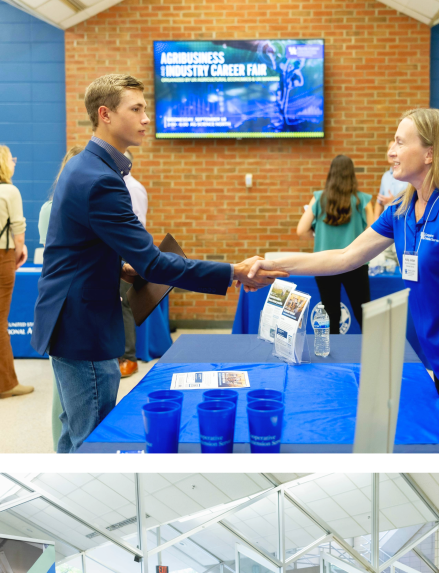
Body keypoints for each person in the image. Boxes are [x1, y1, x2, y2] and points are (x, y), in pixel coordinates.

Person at [34, 73, 281, 453]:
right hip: (82, 328)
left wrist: (118, 267)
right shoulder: (101, 180)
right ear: (105, 115)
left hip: (69, 319)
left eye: (145, 109)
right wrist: (232, 272)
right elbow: (152, 263)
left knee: (73, 433)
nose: (146, 118)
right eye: (136, 110)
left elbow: (75, 250)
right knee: (92, 438)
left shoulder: (81, 165)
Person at [255, 109, 439, 452]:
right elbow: (343, 257)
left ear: (430, 154)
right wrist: (269, 262)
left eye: (399, 142)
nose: (390, 152)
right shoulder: (402, 208)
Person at [294, 155, 373, 335]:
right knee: (364, 315)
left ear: (331, 174)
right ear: (352, 175)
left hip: (324, 264)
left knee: (331, 316)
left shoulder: (318, 199)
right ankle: (373, 357)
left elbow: (301, 230)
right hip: (356, 263)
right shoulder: (363, 201)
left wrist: (319, 235)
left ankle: (333, 359)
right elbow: (373, 233)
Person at [0, 144, 32, 398]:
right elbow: (18, 232)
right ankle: (6, 385)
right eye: (11, 158)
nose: (14, 162)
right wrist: (18, 254)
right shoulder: (9, 191)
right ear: (3, 163)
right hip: (2, 259)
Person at [118, 149, 150, 378]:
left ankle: (129, 358)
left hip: (127, 256)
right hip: (114, 254)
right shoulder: (114, 185)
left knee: (125, 306)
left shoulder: (132, 188)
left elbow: (136, 228)